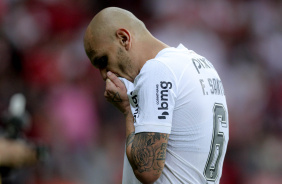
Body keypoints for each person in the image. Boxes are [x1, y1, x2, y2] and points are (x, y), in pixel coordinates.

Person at [83, 7, 229, 184]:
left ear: (124, 38)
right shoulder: (201, 64)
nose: (104, 75)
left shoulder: (158, 70)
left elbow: (147, 169)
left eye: (103, 61)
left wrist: (128, 110)